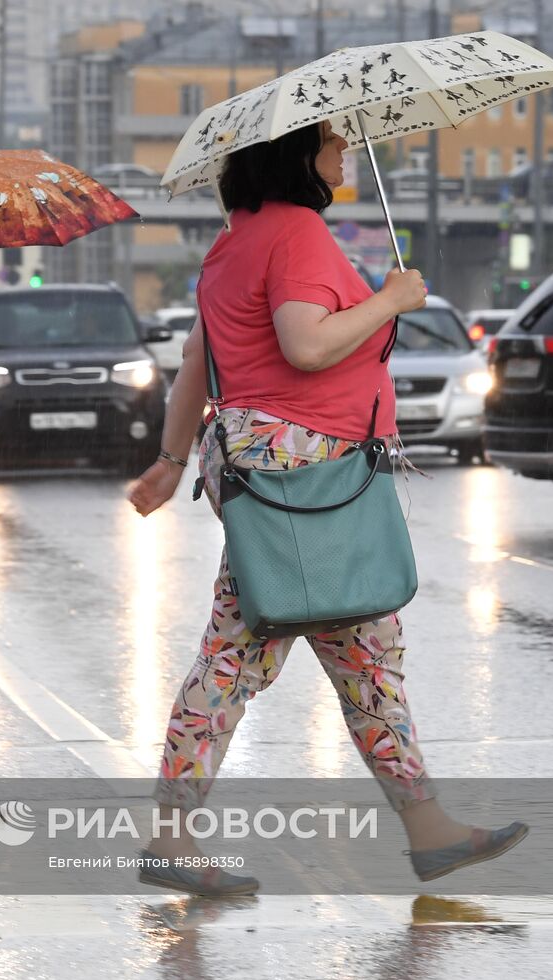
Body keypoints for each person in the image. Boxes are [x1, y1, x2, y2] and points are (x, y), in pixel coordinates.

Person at [127, 120, 527, 895]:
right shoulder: (296, 233)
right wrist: (391, 299)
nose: (344, 153)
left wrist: (171, 461)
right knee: (244, 656)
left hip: (280, 478)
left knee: (358, 657)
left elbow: (194, 362)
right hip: (308, 484)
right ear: (294, 157)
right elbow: (306, 344)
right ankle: (174, 837)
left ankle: (427, 828)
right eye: (331, 142)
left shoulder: (232, 242)